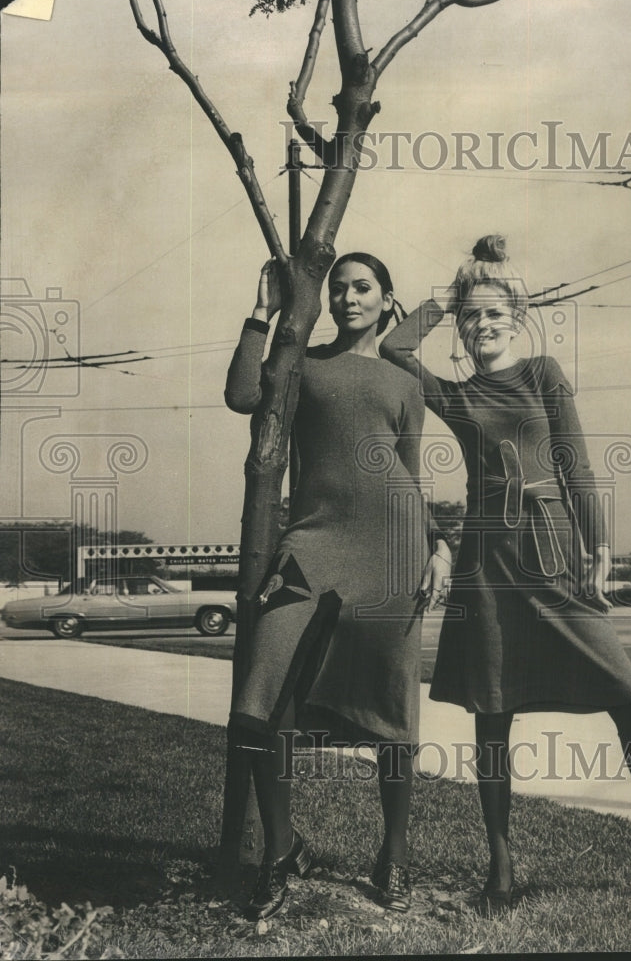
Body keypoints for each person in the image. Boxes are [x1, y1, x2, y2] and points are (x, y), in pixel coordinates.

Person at [380, 234, 631, 911]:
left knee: (628, 695)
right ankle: (500, 866)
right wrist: (449, 295)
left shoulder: (543, 373)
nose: (481, 325)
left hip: (553, 546)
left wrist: (598, 551)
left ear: (518, 313)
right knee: (492, 709)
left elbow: (578, 467)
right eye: (470, 316)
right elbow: (394, 350)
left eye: (493, 312)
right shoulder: (452, 395)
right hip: (486, 559)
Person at [225, 255, 451, 918]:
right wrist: (262, 313)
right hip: (312, 545)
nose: (349, 298)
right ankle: (280, 848)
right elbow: (243, 396)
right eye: (339, 288)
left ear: (386, 301)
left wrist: (441, 542)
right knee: (258, 696)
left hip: (395, 550)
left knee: (392, 712)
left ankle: (395, 856)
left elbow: (408, 473)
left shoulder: (404, 382)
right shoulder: (304, 365)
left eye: (363, 289)